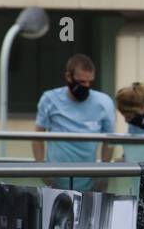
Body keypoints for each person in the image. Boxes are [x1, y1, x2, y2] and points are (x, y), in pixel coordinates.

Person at [33, 54, 115, 191]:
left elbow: (110, 141)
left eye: (90, 82)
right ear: (68, 77)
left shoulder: (104, 102)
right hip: (54, 181)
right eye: (82, 82)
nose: (86, 86)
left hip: (90, 181)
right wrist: (41, 168)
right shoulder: (49, 99)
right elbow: (37, 136)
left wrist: (103, 174)